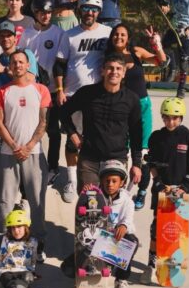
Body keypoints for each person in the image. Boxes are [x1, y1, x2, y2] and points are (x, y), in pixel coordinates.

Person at [54, 0, 112, 202]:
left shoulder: (107, 33)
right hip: (73, 94)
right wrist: (59, 89)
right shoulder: (69, 35)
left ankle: (99, 177)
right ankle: (71, 180)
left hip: (99, 96)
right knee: (72, 140)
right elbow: (59, 64)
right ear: (80, 10)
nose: (89, 13)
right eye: (86, 9)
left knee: (99, 139)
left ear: (99, 12)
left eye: (94, 9)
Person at [140, 98, 189, 285]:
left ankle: (174, 264)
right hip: (162, 191)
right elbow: (151, 164)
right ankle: (152, 263)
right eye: (167, 118)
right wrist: (159, 183)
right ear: (162, 117)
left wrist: (183, 188)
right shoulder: (156, 137)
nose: (171, 122)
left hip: (182, 194)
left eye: (175, 118)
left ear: (181, 118)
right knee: (157, 229)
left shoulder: (188, 137)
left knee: (177, 231)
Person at [0, 50, 50, 262]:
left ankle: (39, 244)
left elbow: (43, 122)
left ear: (28, 65)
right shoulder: (1, 91)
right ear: (9, 66)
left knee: (37, 202)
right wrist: (15, 146)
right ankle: (5, 244)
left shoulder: (41, 90)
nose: (17, 65)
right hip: (8, 154)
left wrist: (28, 146)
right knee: (5, 202)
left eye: (21, 62)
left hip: (34, 153)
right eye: (14, 62)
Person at [60, 53, 143, 195]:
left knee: (112, 208)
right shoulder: (87, 93)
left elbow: (137, 134)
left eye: (118, 69)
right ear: (102, 71)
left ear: (124, 73)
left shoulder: (132, 99)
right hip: (89, 160)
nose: (114, 72)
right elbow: (63, 112)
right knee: (89, 206)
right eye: (110, 68)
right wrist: (73, 133)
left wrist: (136, 164)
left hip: (117, 159)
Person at [105, 23, 166, 209]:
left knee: (144, 149)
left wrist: (157, 44)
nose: (119, 37)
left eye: (123, 34)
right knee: (125, 149)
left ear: (128, 38)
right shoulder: (108, 58)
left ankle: (142, 191)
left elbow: (160, 61)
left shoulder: (137, 52)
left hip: (143, 105)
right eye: (116, 34)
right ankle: (120, 194)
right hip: (121, 107)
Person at [19, 0, 66, 186]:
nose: (46, 15)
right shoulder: (27, 34)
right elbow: (21, 59)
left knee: (53, 131)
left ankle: (53, 168)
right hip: (31, 90)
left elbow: (62, 62)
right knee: (31, 129)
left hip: (52, 89)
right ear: (35, 14)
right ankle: (28, 165)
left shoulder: (58, 33)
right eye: (41, 12)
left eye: (48, 12)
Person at [87, 160, 139, 288]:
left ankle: (120, 281)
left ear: (121, 183)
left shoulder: (127, 201)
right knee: (67, 269)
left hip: (116, 240)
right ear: (102, 181)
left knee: (131, 242)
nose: (110, 184)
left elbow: (128, 218)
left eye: (114, 181)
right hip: (98, 239)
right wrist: (86, 195)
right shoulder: (95, 196)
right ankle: (92, 266)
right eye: (107, 181)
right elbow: (87, 215)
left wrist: (124, 225)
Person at [0, 209, 37, 288]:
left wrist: (32, 271)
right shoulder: (6, 239)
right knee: (5, 277)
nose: (16, 231)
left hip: (24, 270)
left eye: (19, 227)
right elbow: (1, 255)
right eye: (13, 228)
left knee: (27, 278)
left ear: (26, 227)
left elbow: (33, 258)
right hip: (8, 269)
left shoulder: (32, 241)